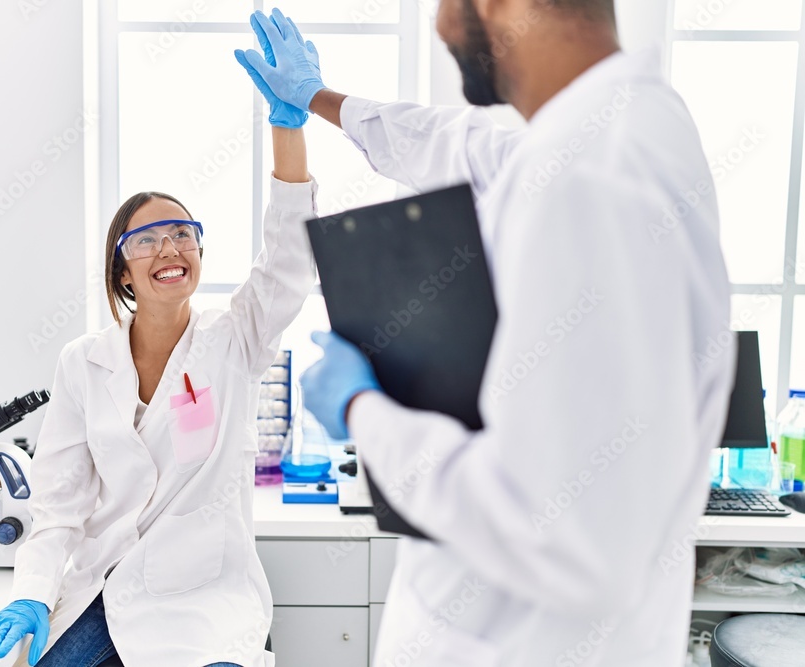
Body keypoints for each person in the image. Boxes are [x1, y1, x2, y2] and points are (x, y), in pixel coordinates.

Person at [238, 1, 734, 665]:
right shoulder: (622, 130)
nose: (442, 25)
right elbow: (459, 141)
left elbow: (567, 535)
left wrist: (366, 410)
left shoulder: (589, 174)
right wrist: (319, 100)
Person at [0, 13, 318, 666]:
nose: (171, 247)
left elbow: (288, 260)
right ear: (122, 268)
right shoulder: (82, 362)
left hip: (205, 598)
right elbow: (60, 507)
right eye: (149, 238)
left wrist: (288, 127)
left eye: (184, 232)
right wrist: (34, 594)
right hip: (108, 588)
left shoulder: (235, 338)